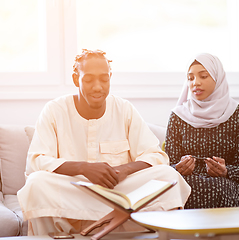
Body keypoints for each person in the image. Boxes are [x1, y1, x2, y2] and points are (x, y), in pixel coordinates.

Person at [17, 49, 191, 236]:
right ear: (76, 79)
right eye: (89, 80)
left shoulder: (124, 109)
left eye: (104, 79)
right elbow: (36, 161)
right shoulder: (54, 110)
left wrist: (125, 170)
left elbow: (155, 155)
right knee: (37, 182)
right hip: (74, 190)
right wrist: (83, 168)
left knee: (167, 175)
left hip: (118, 191)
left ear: (110, 78)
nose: (98, 87)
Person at [165, 53, 239, 209]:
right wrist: (179, 168)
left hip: (228, 185)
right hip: (187, 184)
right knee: (185, 191)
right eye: (190, 78)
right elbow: (167, 166)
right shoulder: (178, 117)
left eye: (203, 76)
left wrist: (226, 171)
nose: (195, 83)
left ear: (218, 78)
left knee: (219, 189)